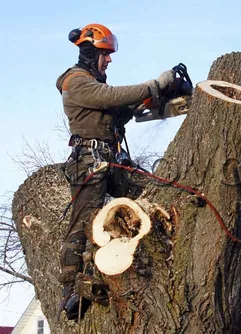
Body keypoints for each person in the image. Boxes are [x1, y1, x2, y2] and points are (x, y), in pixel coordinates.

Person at [56, 23, 175, 321]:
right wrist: (152, 86)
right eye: (104, 55)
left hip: (112, 159)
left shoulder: (93, 87)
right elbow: (109, 96)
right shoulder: (76, 82)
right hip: (89, 162)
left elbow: (120, 110)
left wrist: (151, 99)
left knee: (151, 196)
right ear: (89, 53)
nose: (109, 60)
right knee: (83, 222)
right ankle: (69, 291)